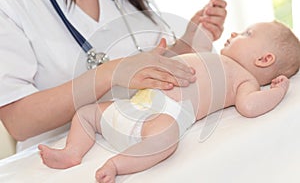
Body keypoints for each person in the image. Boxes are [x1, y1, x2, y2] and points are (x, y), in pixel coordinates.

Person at [38, 21, 300, 183]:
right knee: (86, 112)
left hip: (162, 114)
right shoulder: (214, 57)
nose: (234, 32)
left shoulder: (244, 79)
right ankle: (72, 152)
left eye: (247, 33)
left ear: (264, 60)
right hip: (135, 102)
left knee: (167, 136)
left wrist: (277, 91)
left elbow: (250, 106)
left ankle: (118, 163)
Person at [0, 0, 227, 150]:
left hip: (148, 139)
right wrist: (109, 74)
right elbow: (19, 122)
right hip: (65, 159)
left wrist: (186, 45)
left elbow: (144, 64)